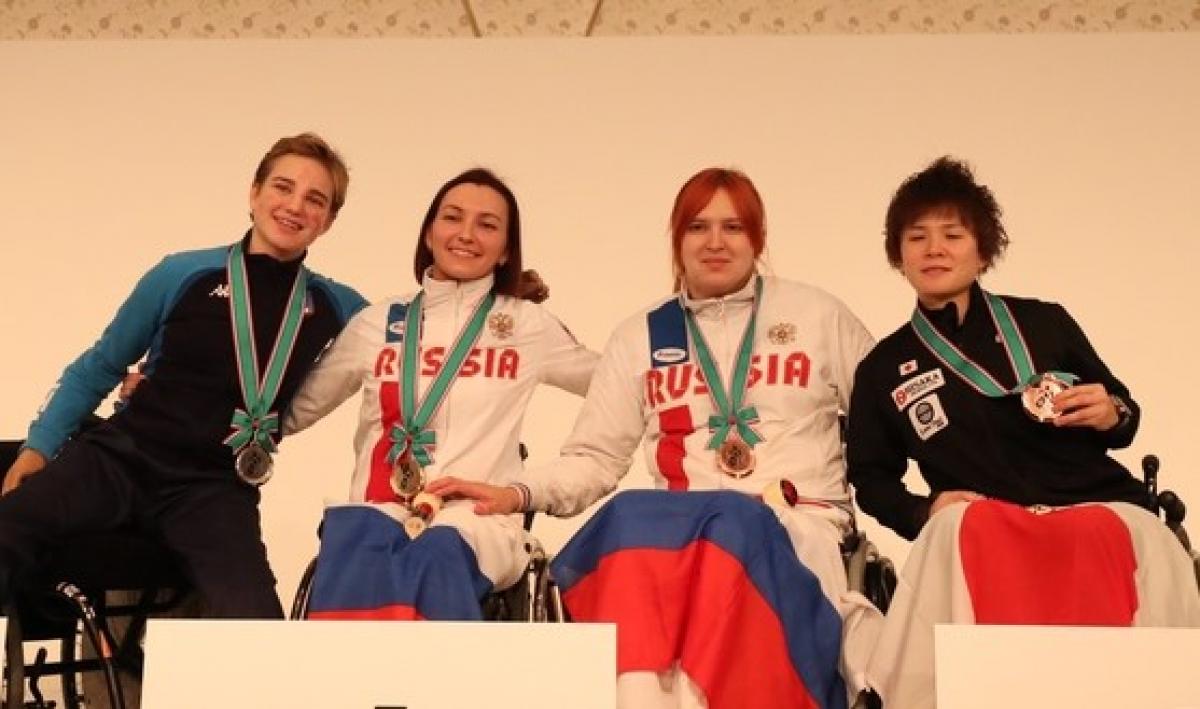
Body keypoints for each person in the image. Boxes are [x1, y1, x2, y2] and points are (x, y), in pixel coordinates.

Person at [431, 167, 879, 709]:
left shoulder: (818, 316)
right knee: (628, 516)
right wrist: (516, 493)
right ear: (676, 239)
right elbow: (593, 459)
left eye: (733, 228)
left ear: (757, 238)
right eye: (697, 227)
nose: (715, 242)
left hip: (800, 528)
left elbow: (886, 420)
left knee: (733, 524)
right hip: (681, 540)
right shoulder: (640, 336)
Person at [846, 156, 1200, 708]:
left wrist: (1113, 412)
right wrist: (922, 512)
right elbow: (869, 478)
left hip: (1098, 507)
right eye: (917, 237)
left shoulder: (1044, 322)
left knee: (1147, 536)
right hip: (986, 524)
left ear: (983, 250)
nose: (934, 249)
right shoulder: (884, 367)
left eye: (952, 234)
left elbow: (1123, 416)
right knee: (950, 530)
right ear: (899, 255)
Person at [0, 133, 367, 618]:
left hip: (212, 488)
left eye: (315, 199)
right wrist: (39, 446)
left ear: (328, 221)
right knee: (9, 525)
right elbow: (100, 366)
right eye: (282, 187)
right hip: (122, 458)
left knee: (256, 622)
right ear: (254, 193)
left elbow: (413, 339)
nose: (294, 206)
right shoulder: (182, 273)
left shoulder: (339, 308)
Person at [285, 167, 597, 620]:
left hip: (477, 518)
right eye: (452, 218)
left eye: (487, 225)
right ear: (429, 233)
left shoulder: (527, 326)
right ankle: (344, 688)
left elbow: (622, 384)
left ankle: (439, 688)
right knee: (352, 532)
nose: (466, 234)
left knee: (440, 548)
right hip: (383, 509)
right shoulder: (376, 324)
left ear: (507, 248)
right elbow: (291, 411)